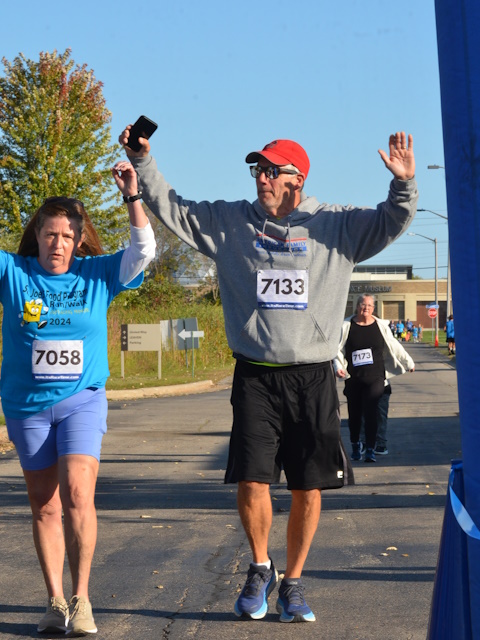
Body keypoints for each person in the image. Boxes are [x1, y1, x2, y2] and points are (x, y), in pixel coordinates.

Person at [119, 126, 417, 623]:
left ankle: (293, 582)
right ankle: (261, 567)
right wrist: (142, 161)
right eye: (258, 169)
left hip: (314, 376)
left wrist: (403, 184)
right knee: (252, 479)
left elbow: (392, 220)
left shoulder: (337, 225)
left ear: (297, 179)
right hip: (255, 375)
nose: (262, 177)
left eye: (273, 170)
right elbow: (173, 209)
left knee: (308, 486)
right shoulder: (231, 222)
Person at [1, 162, 156, 636]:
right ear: (37, 236)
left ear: (79, 239)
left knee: (76, 493)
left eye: (67, 236)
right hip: (27, 405)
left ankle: (81, 599)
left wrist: (132, 196)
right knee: (44, 504)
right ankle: (54, 602)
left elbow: (143, 250)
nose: (58, 243)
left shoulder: (98, 274)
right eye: (50, 234)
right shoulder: (14, 272)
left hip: (82, 400)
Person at [334, 294, 415, 462]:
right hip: (354, 377)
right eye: (363, 305)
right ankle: (356, 445)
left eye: (369, 306)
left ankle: (370, 448)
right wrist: (338, 367)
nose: (366, 308)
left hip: (376, 376)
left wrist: (408, 362)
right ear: (357, 306)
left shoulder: (381, 326)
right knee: (355, 414)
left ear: (373, 308)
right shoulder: (346, 326)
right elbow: (337, 349)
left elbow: (394, 345)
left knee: (371, 410)